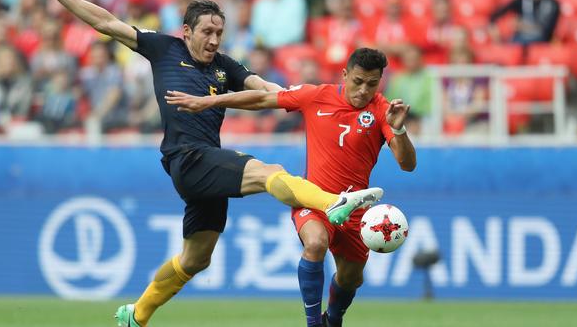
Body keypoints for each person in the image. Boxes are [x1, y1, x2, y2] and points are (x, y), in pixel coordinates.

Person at [33, 0, 382, 327]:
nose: (214, 40)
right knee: (270, 173)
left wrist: (307, 100)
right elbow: (107, 23)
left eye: (219, 32)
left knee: (196, 259)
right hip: (188, 158)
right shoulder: (163, 48)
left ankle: (135, 315)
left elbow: (263, 87)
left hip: (205, 166)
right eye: (207, 32)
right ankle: (333, 203)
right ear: (186, 32)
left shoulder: (223, 66)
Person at [165, 47, 416, 327]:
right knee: (316, 243)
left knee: (351, 279)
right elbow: (261, 99)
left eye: (372, 84)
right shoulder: (316, 95)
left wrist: (398, 130)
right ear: (344, 75)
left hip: (357, 210)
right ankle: (313, 323)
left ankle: (333, 319)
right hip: (314, 201)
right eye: (357, 82)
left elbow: (407, 164)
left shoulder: (383, 110)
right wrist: (208, 102)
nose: (363, 91)